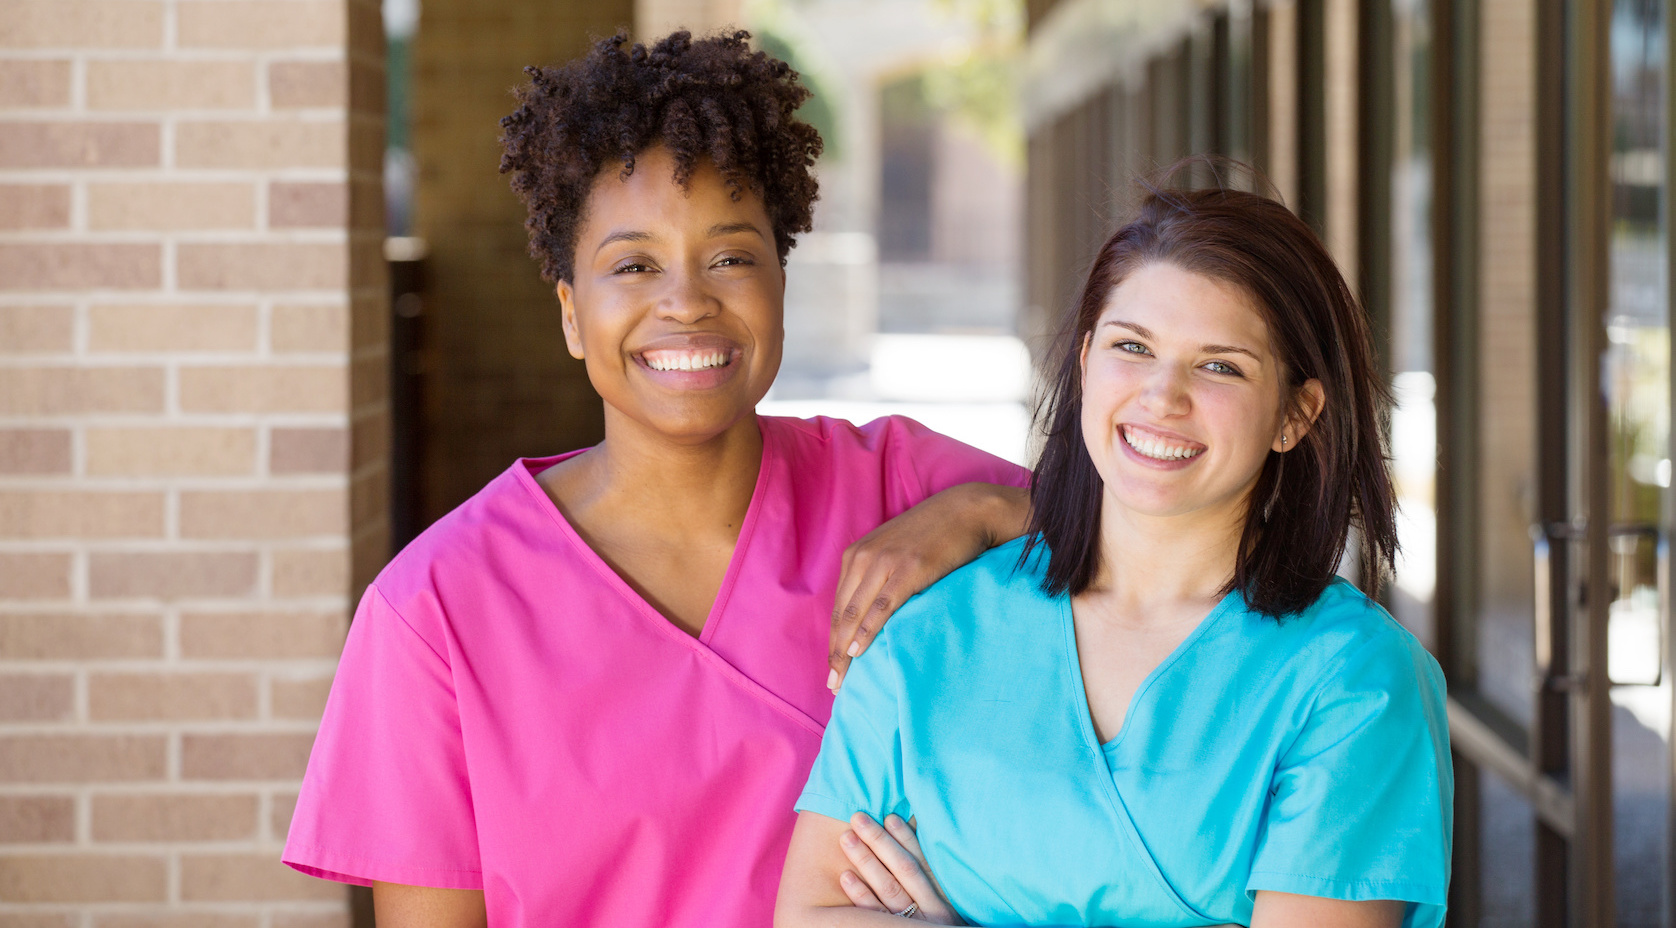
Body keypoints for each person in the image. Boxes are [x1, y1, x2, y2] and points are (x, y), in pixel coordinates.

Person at [281, 31, 1030, 927]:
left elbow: (1193, 546)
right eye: (633, 265)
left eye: (731, 257)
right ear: (570, 313)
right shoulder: (436, 611)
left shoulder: (903, 490)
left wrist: (988, 512)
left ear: (779, 284)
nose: (686, 300)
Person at [776, 179, 1452, 928]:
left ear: (1295, 413)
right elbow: (812, 912)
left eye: (1221, 366)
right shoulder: (928, 634)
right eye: (1133, 348)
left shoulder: (1353, 679)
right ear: (1088, 360)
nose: (1163, 396)